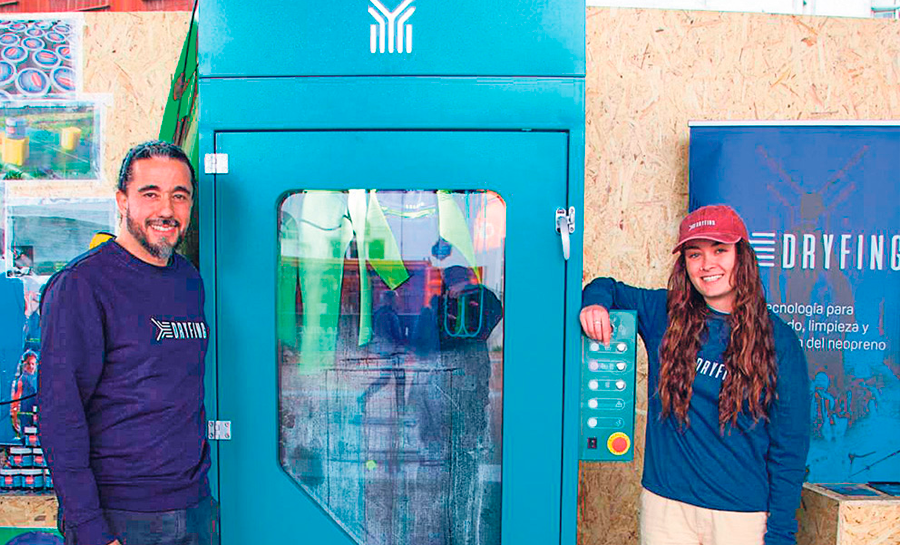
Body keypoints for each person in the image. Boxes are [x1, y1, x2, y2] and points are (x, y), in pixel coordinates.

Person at [581, 205, 810, 545]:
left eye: (719, 250)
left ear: (742, 256)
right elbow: (606, 287)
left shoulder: (778, 339)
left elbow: (790, 447)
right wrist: (595, 304)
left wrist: (780, 533)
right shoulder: (663, 313)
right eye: (694, 254)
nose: (707, 264)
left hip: (740, 518)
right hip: (666, 509)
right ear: (684, 264)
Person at [38, 141, 217, 545]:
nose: (166, 210)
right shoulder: (82, 285)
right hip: (121, 516)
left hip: (194, 508)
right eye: (150, 194)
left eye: (179, 196)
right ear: (122, 200)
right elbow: (60, 417)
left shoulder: (188, 280)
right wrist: (91, 529)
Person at [10, 350, 38, 436]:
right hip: (25, 413)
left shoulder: (38, 379)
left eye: (33, 364)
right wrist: (14, 416)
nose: (31, 366)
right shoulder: (22, 380)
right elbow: (15, 399)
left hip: (37, 413)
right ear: (24, 365)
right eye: (28, 364)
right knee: (26, 434)